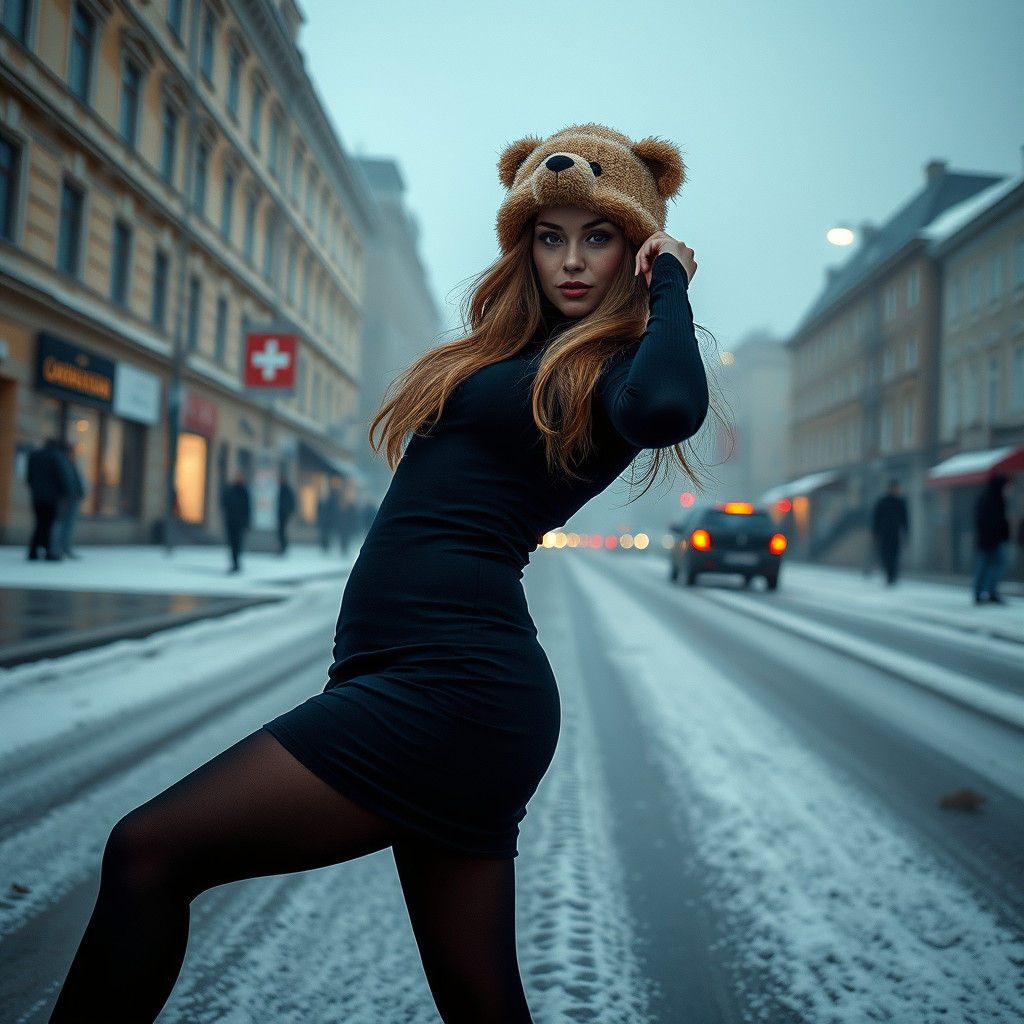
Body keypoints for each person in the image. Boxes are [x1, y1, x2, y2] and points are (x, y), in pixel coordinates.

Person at [49, 123, 721, 1023]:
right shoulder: (507, 351)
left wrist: (670, 273)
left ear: (632, 246)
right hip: (415, 678)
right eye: (549, 235)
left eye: (598, 237)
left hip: (453, 688)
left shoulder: (610, 369)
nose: (570, 261)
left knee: (147, 852)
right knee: (480, 1002)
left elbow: (672, 405)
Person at [25, 437, 69, 561]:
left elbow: (29, 477)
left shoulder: (35, 456)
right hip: (52, 497)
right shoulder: (56, 457)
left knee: (39, 523)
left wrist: (35, 489)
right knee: (49, 525)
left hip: (37, 496)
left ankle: (33, 551)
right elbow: (62, 477)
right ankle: (48, 551)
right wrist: (64, 493)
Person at [973, 472, 1010, 604]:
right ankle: (984, 592)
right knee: (991, 564)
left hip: (994, 539)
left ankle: (986, 592)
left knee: (990, 565)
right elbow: (986, 521)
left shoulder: (996, 498)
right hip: (989, 540)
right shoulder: (990, 499)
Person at [871, 478, 909, 585]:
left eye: (897, 488)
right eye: (894, 488)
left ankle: (893, 576)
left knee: (895, 556)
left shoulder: (900, 503)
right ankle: (889, 575)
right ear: (890, 489)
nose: (896, 490)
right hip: (884, 534)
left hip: (895, 534)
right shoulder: (882, 502)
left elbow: (905, 520)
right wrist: (875, 534)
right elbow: (876, 519)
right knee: (885, 556)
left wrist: (905, 534)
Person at [54, 441, 86, 559]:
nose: (74, 454)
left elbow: (76, 480)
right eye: (72, 452)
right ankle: (57, 549)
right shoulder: (63, 464)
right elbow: (67, 481)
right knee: (62, 525)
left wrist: (80, 492)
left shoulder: (71, 464)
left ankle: (64, 548)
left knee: (67, 525)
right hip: (66, 499)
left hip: (72, 498)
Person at [220, 470, 250, 573]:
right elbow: (225, 503)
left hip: (239, 523)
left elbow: (247, 508)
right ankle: (234, 563)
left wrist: (246, 522)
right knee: (232, 543)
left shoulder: (244, 491)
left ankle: (237, 563)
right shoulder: (231, 490)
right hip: (231, 521)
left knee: (238, 543)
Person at [316, 479, 340, 552]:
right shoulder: (322, 502)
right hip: (324, 520)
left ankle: (326, 546)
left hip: (328, 521)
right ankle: (324, 546)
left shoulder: (331, 502)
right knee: (324, 534)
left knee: (327, 534)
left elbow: (332, 512)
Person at [276, 473, 296, 555]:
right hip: (280, 514)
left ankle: (283, 547)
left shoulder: (287, 490)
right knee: (281, 531)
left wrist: (288, 512)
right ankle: (282, 547)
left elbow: (292, 503)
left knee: (282, 531)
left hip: (284, 514)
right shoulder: (279, 489)